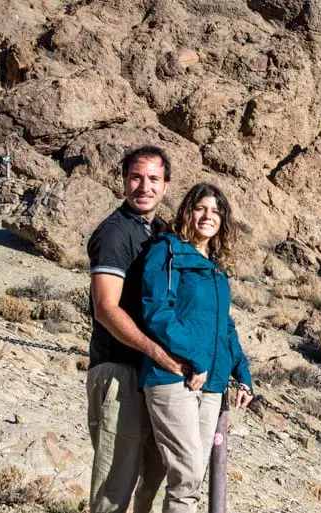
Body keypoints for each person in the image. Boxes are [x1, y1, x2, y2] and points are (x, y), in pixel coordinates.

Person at [139, 182, 254, 513]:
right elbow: (157, 311)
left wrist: (243, 373)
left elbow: (224, 326)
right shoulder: (168, 251)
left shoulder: (216, 268)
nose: (209, 216)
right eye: (201, 208)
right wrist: (196, 358)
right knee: (187, 476)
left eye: (216, 211)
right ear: (187, 212)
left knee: (192, 476)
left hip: (212, 383)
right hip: (173, 376)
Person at [86, 146, 186, 513]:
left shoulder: (159, 232)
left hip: (152, 377)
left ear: (166, 185)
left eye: (153, 179)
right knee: (115, 488)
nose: (144, 186)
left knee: (153, 483)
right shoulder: (115, 233)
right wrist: (157, 352)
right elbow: (105, 308)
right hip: (120, 372)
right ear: (124, 180)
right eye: (136, 177)